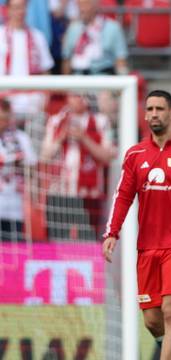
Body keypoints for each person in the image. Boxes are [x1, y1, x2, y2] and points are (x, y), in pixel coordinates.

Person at [102, 90, 171, 360]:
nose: (153, 114)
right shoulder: (135, 154)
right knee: (152, 320)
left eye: (159, 109)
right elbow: (123, 195)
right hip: (147, 248)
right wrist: (112, 232)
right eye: (149, 109)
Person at [41, 93, 116, 241]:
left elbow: (107, 157)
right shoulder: (56, 120)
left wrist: (84, 138)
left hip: (89, 193)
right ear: (67, 98)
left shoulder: (101, 121)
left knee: (89, 242)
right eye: (75, 95)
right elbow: (44, 156)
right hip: (60, 193)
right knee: (56, 242)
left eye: (84, 96)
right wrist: (61, 137)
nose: (80, 99)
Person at [0, 0, 53, 115]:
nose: (20, 12)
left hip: (32, 101)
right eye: (16, 8)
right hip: (3, 101)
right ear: (7, 10)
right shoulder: (1, 35)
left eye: (22, 7)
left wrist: (45, 98)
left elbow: (46, 71)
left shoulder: (38, 36)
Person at [0, 98, 36, 241]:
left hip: (13, 209)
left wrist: (20, 162)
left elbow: (33, 169)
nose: (2, 122)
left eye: (4, 118)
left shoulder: (21, 138)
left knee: (10, 257)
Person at [62, 0, 128, 75]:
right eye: (79, 4)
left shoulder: (112, 28)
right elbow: (66, 59)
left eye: (86, 4)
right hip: (78, 78)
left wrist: (122, 82)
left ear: (96, 5)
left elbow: (120, 60)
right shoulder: (73, 28)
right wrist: (66, 85)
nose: (82, 9)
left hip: (104, 79)